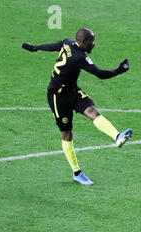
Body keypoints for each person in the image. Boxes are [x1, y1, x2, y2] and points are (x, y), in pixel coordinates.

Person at [22, 28, 133, 185]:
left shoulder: (68, 43)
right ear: (83, 42)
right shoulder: (79, 57)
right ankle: (77, 172)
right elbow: (100, 74)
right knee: (67, 134)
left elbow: (55, 45)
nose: (94, 44)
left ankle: (117, 136)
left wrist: (34, 47)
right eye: (91, 41)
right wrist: (120, 70)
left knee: (92, 112)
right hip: (58, 97)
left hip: (73, 91)